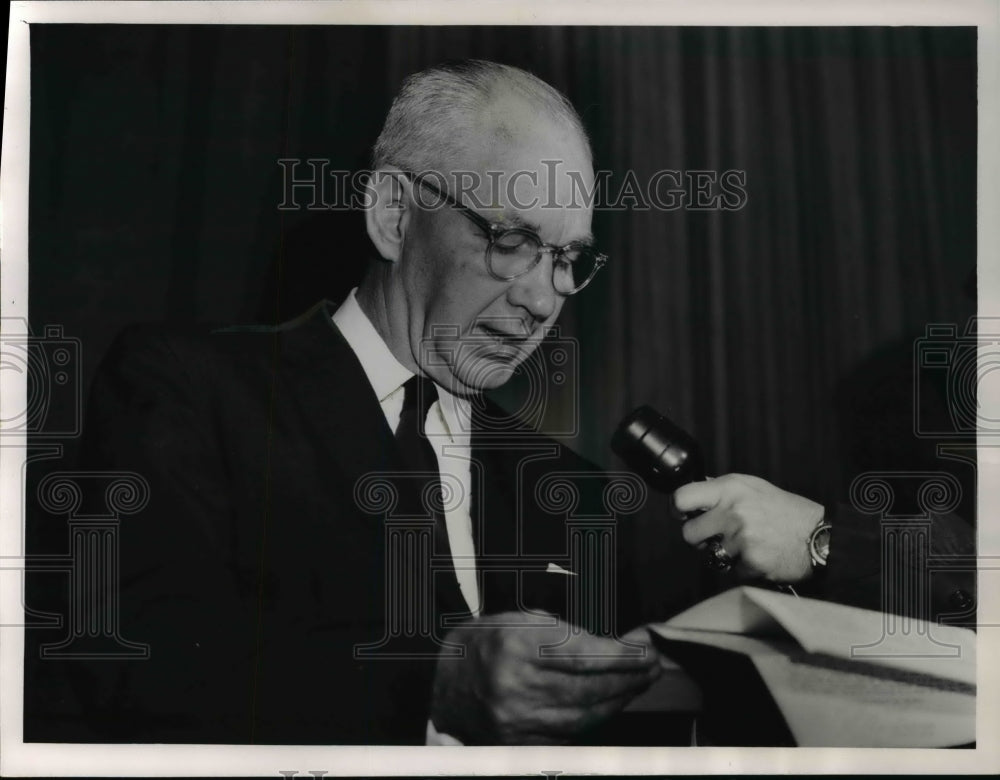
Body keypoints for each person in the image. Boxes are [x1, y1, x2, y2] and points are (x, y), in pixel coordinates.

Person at [26, 59, 974, 747]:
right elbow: (131, 664)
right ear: (395, 214)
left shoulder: (570, 491)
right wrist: (431, 685)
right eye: (513, 240)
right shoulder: (187, 389)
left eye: (569, 260)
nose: (542, 299)